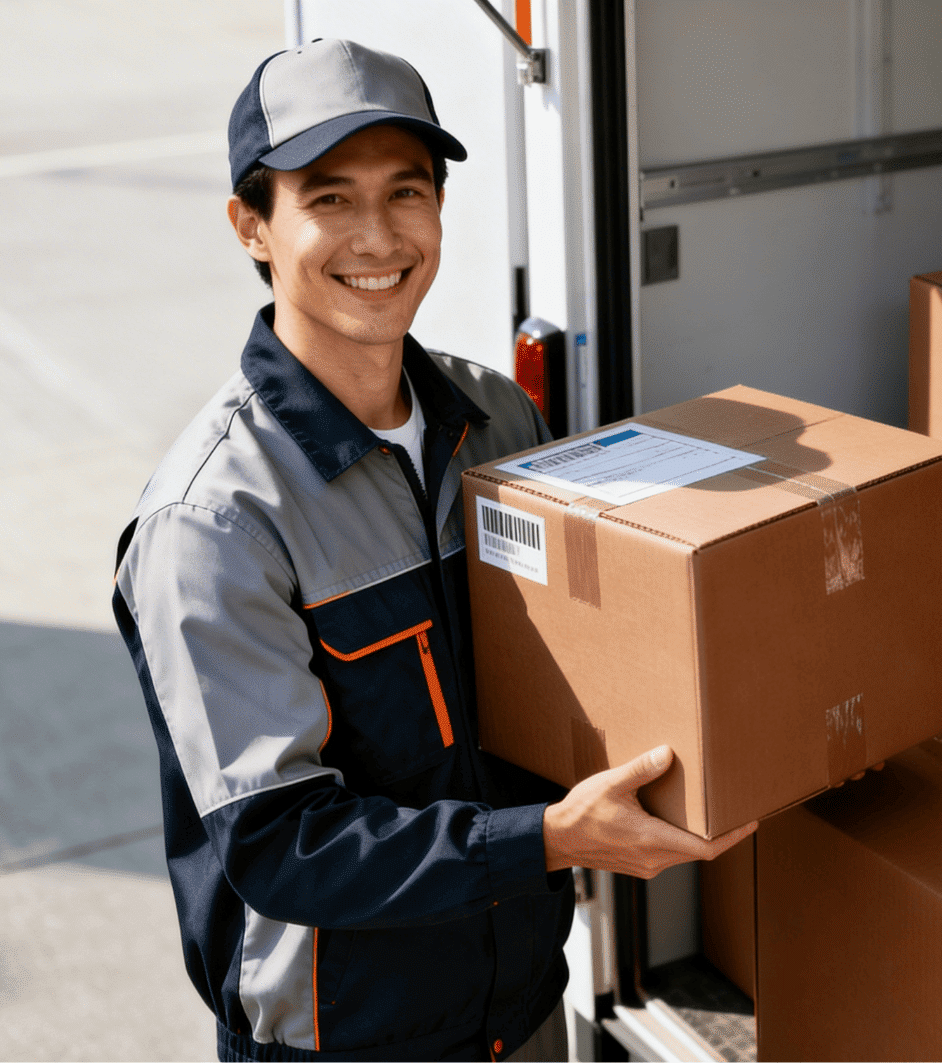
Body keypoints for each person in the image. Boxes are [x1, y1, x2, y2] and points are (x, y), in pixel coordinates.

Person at [111, 39, 753, 1062]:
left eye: (407, 191)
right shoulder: (216, 520)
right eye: (329, 198)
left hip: (528, 1009)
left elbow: (566, 675)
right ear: (253, 227)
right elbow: (283, 846)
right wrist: (548, 841)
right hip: (353, 1043)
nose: (378, 234)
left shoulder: (497, 420)